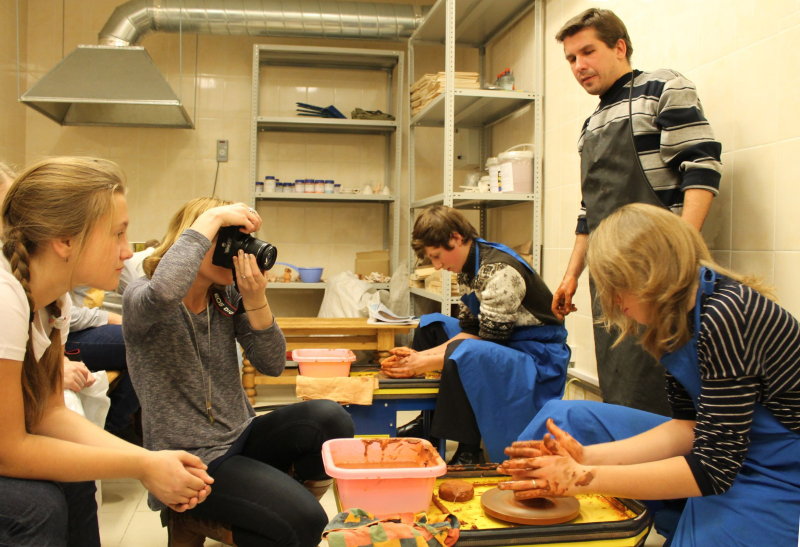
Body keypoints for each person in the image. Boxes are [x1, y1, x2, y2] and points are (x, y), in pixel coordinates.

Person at [502, 203, 800, 547]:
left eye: (617, 286)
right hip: (719, 447)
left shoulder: (727, 316)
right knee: (564, 415)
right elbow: (687, 428)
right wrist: (587, 457)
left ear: (649, 272)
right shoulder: (675, 319)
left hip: (778, 466)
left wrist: (583, 478)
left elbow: (714, 470)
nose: (614, 300)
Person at [0, 157, 212, 546]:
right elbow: (9, 450)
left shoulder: (55, 301)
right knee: (37, 507)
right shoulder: (5, 298)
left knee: (77, 480)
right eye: (117, 234)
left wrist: (149, 460)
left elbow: (48, 413)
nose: (127, 252)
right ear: (64, 241)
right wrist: (142, 465)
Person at [123, 197, 354, 547]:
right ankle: (192, 515)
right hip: (191, 462)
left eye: (241, 242)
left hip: (240, 435)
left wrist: (256, 299)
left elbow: (272, 364)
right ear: (193, 238)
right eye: (225, 240)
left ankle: (268, 508)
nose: (236, 253)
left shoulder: (225, 296)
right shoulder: (142, 296)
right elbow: (167, 291)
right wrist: (214, 215)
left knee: (331, 419)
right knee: (307, 522)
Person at [550, 8, 722, 415]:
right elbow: (589, 210)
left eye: (587, 52)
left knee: (665, 392)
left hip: (660, 275)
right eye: (571, 58)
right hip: (609, 279)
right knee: (621, 390)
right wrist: (572, 275)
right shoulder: (590, 125)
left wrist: (680, 253)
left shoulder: (663, 88)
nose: (579, 66)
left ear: (619, 47)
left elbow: (702, 167)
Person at [385, 206, 570, 465]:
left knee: (466, 354)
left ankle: (468, 450)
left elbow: (487, 340)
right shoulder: (468, 268)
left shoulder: (500, 271)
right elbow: (470, 331)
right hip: (502, 340)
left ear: (456, 237)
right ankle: (427, 421)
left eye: (437, 256)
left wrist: (422, 364)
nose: (437, 266)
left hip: (537, 355)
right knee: (431, 325)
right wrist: (419, 356)